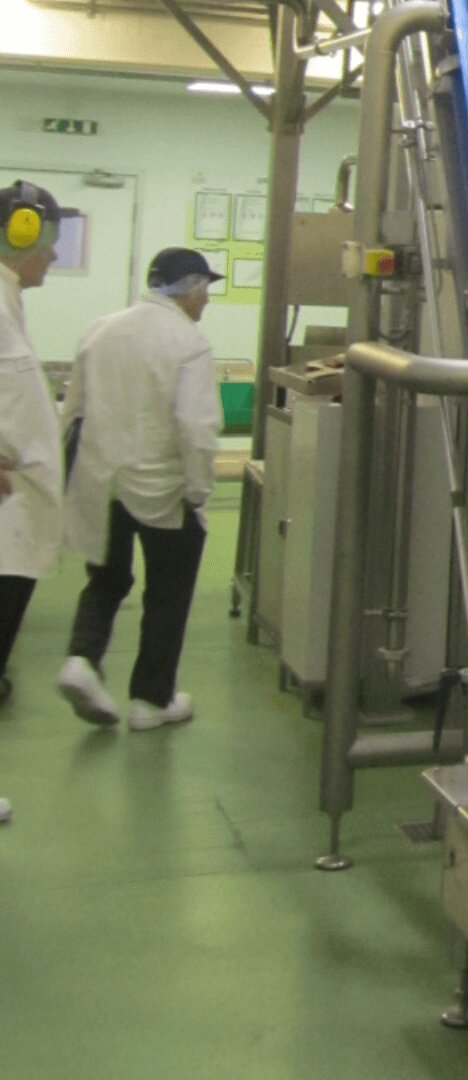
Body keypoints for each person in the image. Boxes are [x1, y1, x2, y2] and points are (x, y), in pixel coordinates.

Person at [55, 248, 223, 732]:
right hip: (163, 487)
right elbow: (196, 428)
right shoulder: (188, 342)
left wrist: (76, 478)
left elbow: (75, 411)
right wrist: (197, 490)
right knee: (168, 591)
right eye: (204, 289)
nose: (206, 299)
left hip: (101, 478)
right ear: (188, 289)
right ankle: (152, 700)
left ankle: (81, 660)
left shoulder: (101, 328)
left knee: (107, 577)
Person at [0, 180, 67, 822]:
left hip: (15, 523)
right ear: (20, 231)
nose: (52, 253)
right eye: (46, 238)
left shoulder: (8, 300)